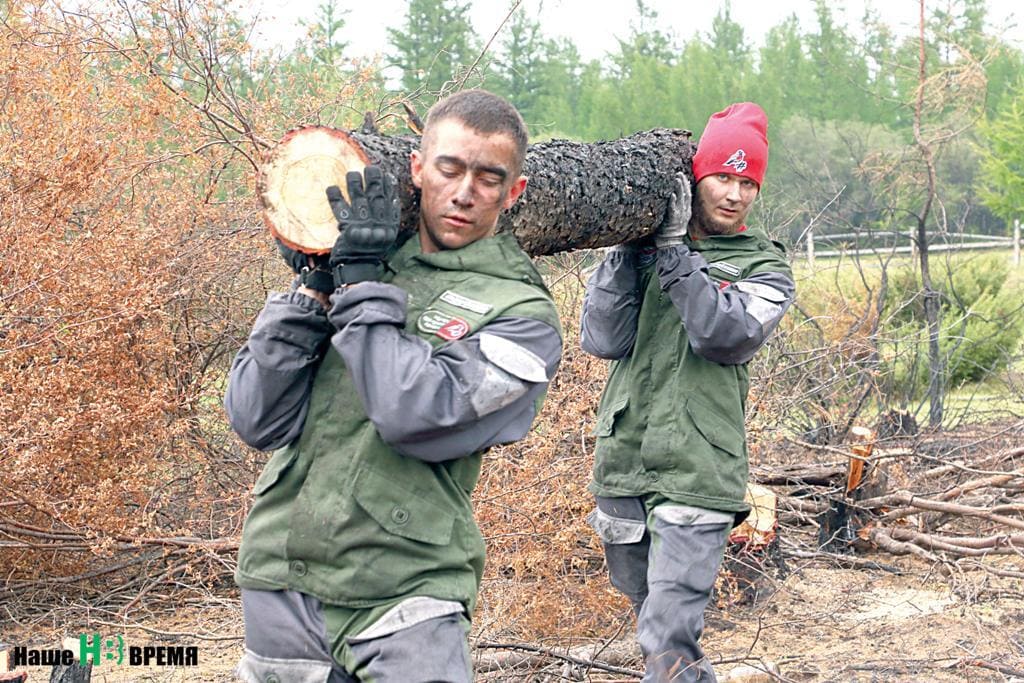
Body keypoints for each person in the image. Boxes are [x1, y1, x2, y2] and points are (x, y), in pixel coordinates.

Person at [225, 89, 562, 683]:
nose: (463, 193)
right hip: (281, 576)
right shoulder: (365, 256)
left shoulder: (521, 313)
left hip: (405, 589)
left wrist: (358, 292)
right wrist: (314, 289)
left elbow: (412, 414)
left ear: (515, 193)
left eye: (489, 178)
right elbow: (256, 419)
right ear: (417, 168)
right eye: (450, 168)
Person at [580, 102, 795, 682]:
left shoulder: (764, 266)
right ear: (697, 178)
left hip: (700, 470)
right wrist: (628, 250)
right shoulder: (643, 252)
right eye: (723, 176)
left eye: (748, 182)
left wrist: (677, 258)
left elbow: (725, 335)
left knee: (669, 632)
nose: (735, 193)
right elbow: (602, 338)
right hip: (624, 461)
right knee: (651, 626)